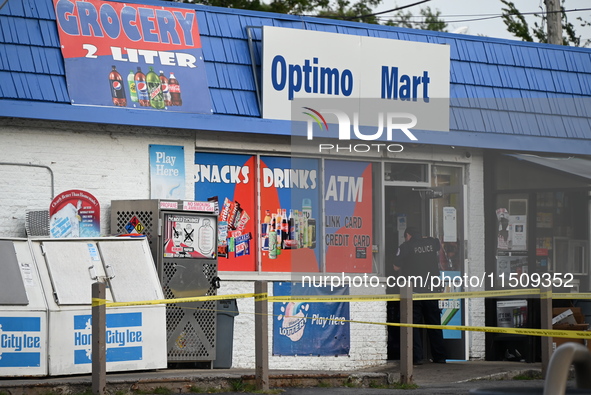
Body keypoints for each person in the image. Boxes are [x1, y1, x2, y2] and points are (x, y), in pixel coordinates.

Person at [393, 226, 447, 365]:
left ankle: (417, 358)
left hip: (415, 291)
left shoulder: (406, 246)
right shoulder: (432, 242)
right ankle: (440, 357)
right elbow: (437, 246)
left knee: (414, 326)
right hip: (431, 290)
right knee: (434, 324)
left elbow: (396, 267)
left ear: (408, 235)